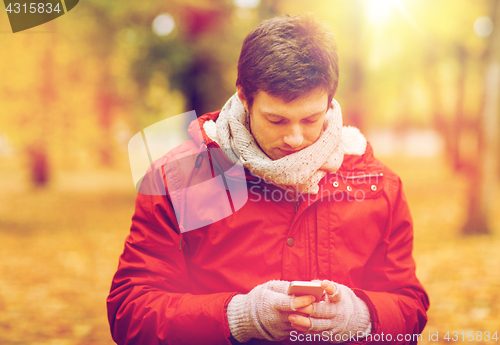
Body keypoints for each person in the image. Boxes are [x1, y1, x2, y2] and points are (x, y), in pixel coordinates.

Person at [107, 14, 429, 345]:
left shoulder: (379, 186)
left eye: (311, 118)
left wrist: (359, 317)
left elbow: (410, 308)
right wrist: (239, 317)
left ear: (330, 100)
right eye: (276, 119)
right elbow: (130, 312)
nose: (294, 138)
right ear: (244, 98)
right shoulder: (176, 181)